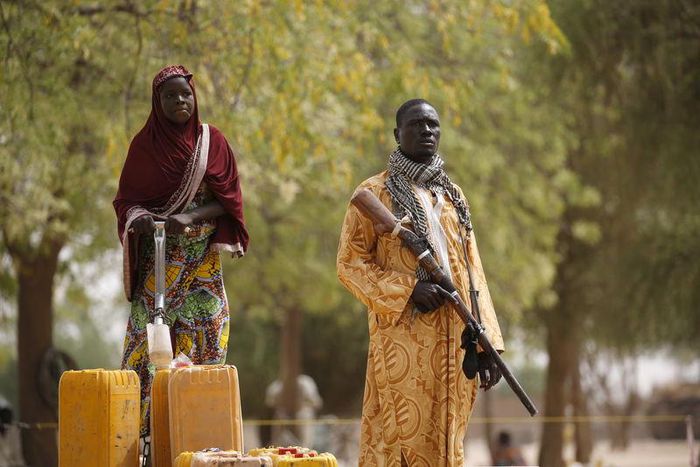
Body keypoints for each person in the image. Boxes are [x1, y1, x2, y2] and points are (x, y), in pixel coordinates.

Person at [336, 99, 504, 466]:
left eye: (433, 125)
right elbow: (350, 264)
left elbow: (474, 272)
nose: (426, 131)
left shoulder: (453, 196)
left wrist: (487, 342)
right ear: (397, 134)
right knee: (399, 439)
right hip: (403, 339)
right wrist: (408, 289)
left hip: (458, 338)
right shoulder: (374, 193)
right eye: (416, 125)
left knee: (450, 439)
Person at [113, 65, 248, 438]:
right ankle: (140, 435)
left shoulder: (212, 142)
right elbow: (126, 201)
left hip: (201, 259)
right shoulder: (144, 146)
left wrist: (189, 216)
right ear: (157, 102)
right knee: (147, 341)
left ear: (195, 98)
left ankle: (198, 432)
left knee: (209, 328)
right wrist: (139, 218)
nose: (180, 101)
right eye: (170, 95)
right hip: (158, 259)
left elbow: (230, 200)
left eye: (185, 94)